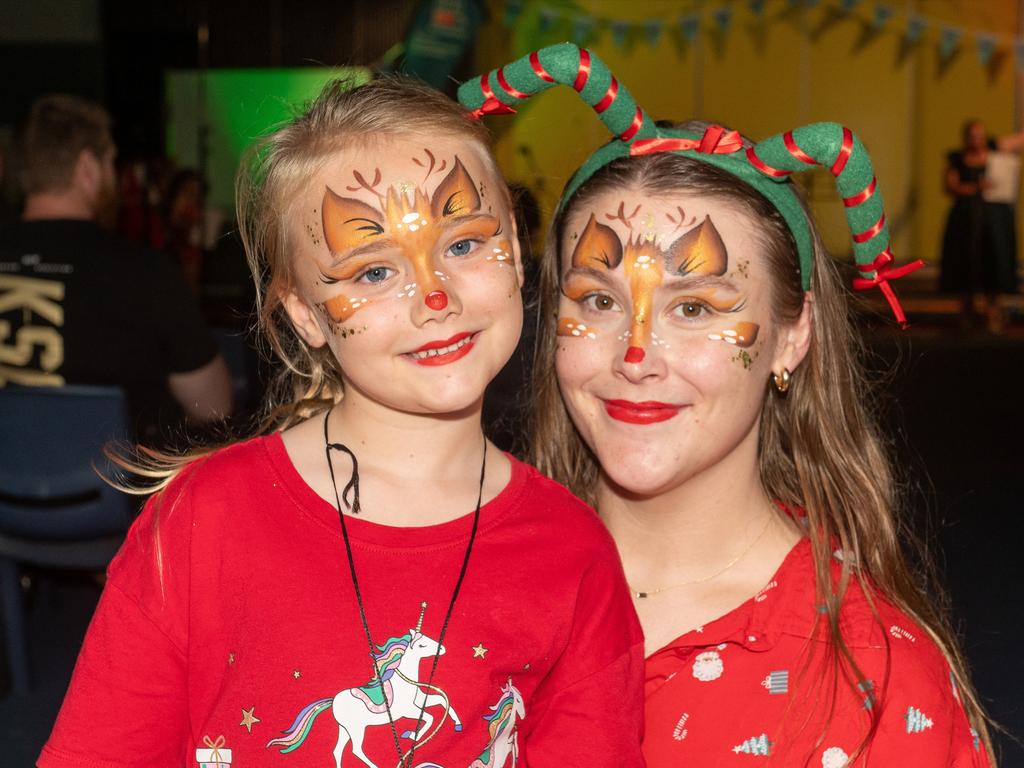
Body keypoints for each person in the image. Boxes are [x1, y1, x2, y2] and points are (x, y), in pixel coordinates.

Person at [38, 77, 643, 768]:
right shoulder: (204, 521)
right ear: (304, 315)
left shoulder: (574, 554)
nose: (434, 297)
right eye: (375, 272)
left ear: (513, 239)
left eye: (467, 243)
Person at [461, 44, 994, 766]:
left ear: (791, 336)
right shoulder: (457, 583)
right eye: (597, 300)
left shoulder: (872, 686)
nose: (636, 356)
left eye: (695, 307)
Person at [0, 94, 232, 434]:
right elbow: (214, 407)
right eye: (111, 163)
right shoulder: (146, 274)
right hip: (114, 485)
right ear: (87, 170)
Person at [940, 118, 1024, 331]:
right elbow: (950, 186)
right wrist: (976, 187)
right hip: (966, 220)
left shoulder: (995, 149)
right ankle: (966, 314)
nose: (977, 140)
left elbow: (1017, 140)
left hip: (993, 220)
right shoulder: (958, 159)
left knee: (994, 261)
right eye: (973, 135)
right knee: (966, 262)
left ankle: (993, 313)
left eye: (980, 135)